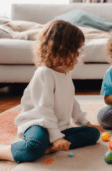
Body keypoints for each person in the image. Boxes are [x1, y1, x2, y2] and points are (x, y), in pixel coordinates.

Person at [0, 20, 104, 163]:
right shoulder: (44, 73)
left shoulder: (65, 72)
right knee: (32, 149)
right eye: (75, 50)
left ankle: (48, 147)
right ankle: (5, 150)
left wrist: (85, 122)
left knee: (93, 134)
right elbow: (44, 110)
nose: (78, 55)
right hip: (38, 124)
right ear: (60, 49)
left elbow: (71, 100)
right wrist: (56, 137)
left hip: (58, 127)